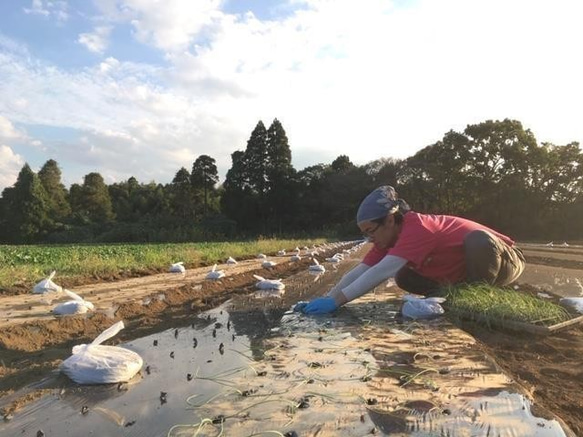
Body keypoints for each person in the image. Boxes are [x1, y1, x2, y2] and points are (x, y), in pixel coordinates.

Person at [297, 185, 525, 314]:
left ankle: (480, 295)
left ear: (389, 220)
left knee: (478, 241)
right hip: (462, 271)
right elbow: (361, 270)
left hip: (503, 259)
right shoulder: (386, 239)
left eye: (371, 231)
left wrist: (336, 302)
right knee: (405, 276)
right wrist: (326, 297)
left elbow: (380, 272)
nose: (369, 238)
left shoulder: (418, 228)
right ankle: (456, 295)